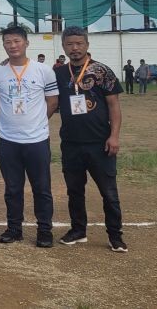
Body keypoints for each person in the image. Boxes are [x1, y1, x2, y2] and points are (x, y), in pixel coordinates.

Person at [51, 27, 127, 252]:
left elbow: (114, 106)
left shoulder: (102, 71)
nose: (74, 48)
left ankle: (115, 235)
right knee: (74, 190)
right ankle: (78, 230)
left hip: (99, 142)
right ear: (63, 46)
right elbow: (51, 102)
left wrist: (114, 136)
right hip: (71, 143)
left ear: (87, 45)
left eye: (79, 44)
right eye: (70, 44)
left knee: (109, 192)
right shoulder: (58, 73)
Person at [0, 26, 58, 247]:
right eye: (7, 42)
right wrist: (8, 119)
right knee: (13, 188)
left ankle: (44, 230)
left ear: (26, 43)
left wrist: (37, 121)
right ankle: (14, 228)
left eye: (17, 41)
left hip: (37, 140)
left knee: (42, 188)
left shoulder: (44, 71)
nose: (12, 45)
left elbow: (53, 102)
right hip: (8, 140)